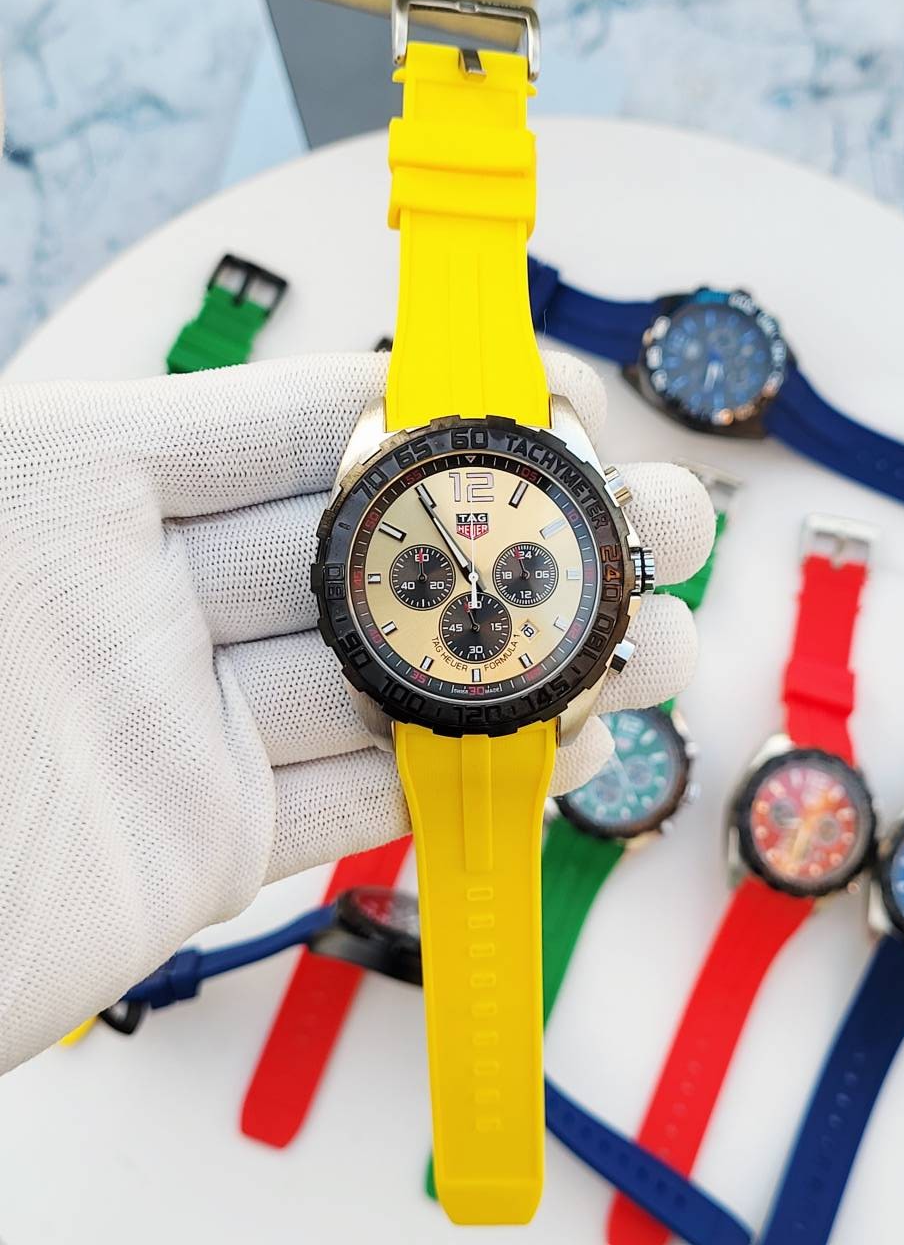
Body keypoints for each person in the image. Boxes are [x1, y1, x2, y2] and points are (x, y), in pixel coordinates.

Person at [0, 123, 714, 1080]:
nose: (475, 586)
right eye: (451, 575)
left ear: (621, 563)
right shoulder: (404, 509)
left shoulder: (486, 513)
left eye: (504, 577)